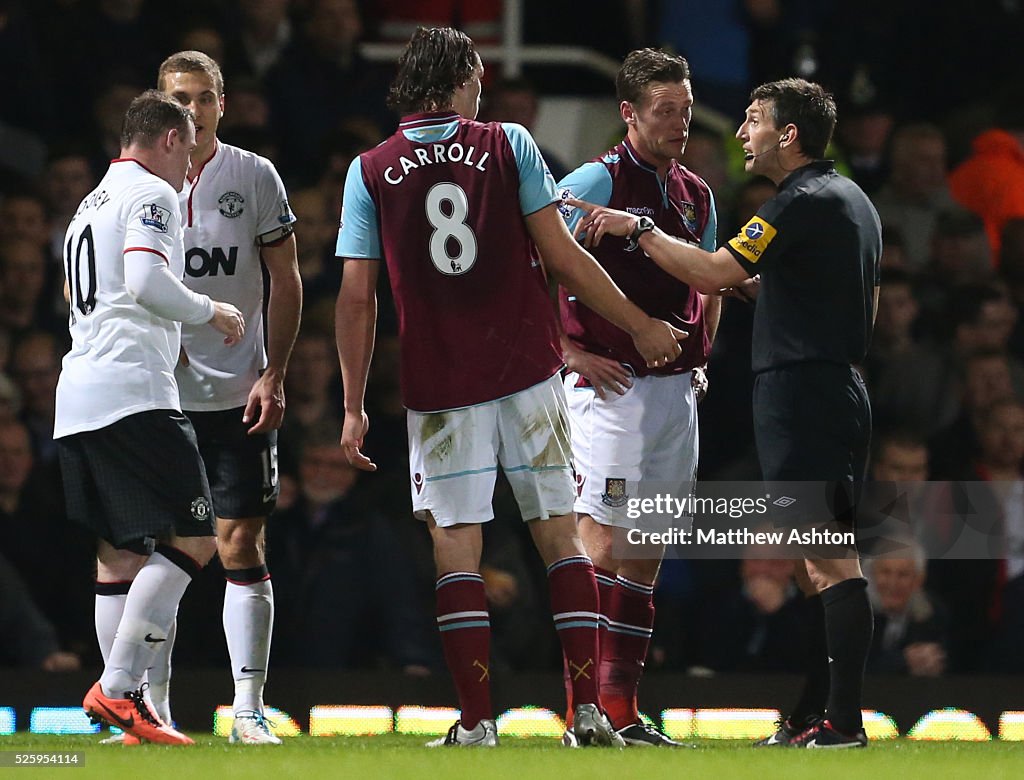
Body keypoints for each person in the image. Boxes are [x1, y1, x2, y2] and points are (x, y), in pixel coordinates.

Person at [335, 27, 686, 749]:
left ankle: (475, 722)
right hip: (527, 374)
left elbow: (356, 298)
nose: (482, 88)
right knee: (560, 536)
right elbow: (561, 255)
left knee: (456, 544)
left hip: (439, 387)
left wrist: (351, 401)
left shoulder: (370, 169)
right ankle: (586, 713)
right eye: (477, 76)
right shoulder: (507, 144)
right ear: (461, 77)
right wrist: (638, 321)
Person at [569, 77, 880, 748]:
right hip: (839, 387)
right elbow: (855, 301)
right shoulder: (853, 199)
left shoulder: (792, 203)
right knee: (814, 556)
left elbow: (711, 272)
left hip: (803, 396)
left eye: (754, 120)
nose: (741, 132)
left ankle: (842, 724)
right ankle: (813, 714)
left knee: (828, 557)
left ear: (788, 135)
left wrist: (639, 228)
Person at [55, 89, 244, 745]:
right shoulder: (152, 194)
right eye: (188, 150)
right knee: (196, 537)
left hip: (78, 398)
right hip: (131, 397)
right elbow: (144, 282)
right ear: (168, 138)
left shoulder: (91, 202)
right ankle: (115, 691)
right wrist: (207, 311)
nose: (189, 166)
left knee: (118, 558)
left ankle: (125, 719)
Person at [554, 47, 719, 748]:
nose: (680, 122)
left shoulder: (696, 192)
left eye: (685, 108)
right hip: (610, 390)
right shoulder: (595, 178)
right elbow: (533, 261)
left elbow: (711, 277)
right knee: (601, 541)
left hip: (674, 393)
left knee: (646, 549)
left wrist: (702, 353)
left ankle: (622, 709)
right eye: (664, 111)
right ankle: (580, 712)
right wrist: (567, 352)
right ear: (628, 113)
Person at [150, 49, 301, 745]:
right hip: (161, 397)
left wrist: (275, 372)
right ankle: (152, 705)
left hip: (241, 392)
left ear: (222, 104)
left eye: (204, 96)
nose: (193, 109)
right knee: (160, 549)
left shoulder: (253, 175)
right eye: (180, 97)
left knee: (241, 542)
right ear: (161, 105)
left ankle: (247, 710)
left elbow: (286, 278)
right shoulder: (136, 183)